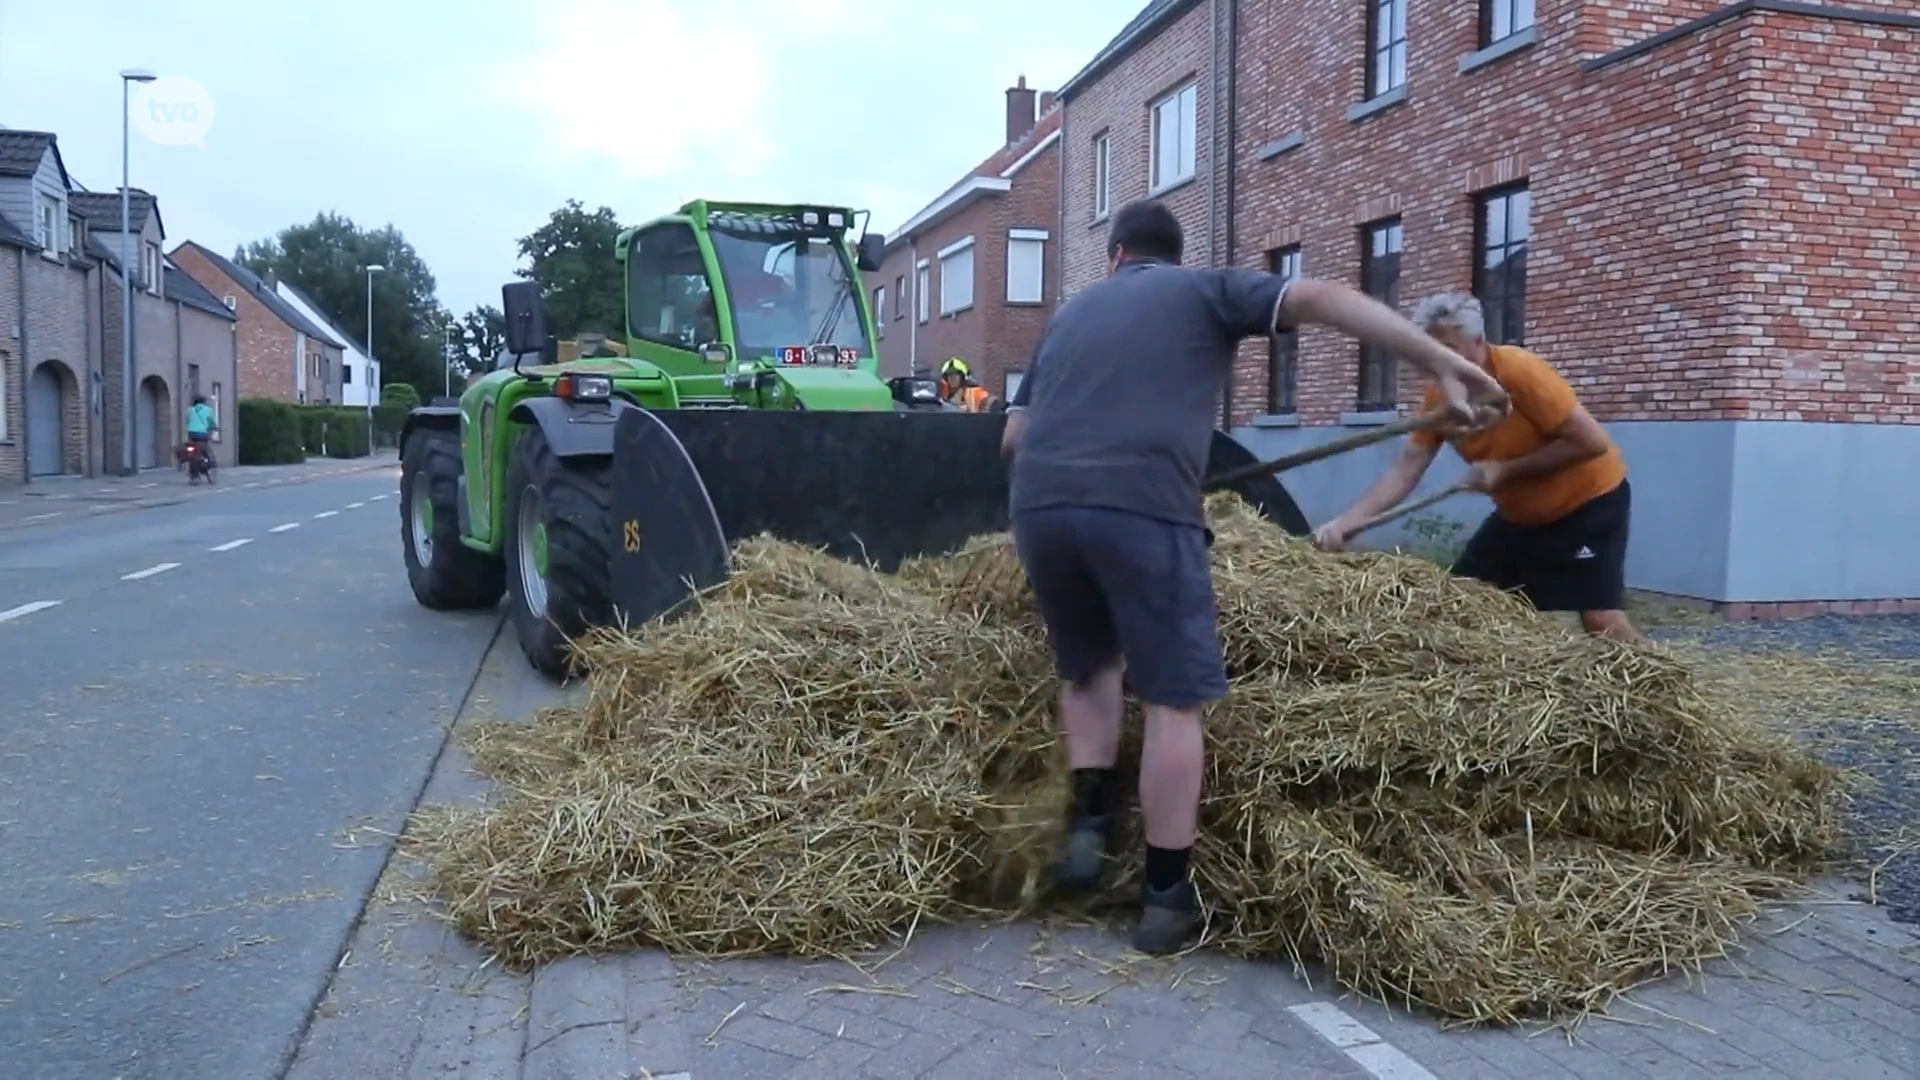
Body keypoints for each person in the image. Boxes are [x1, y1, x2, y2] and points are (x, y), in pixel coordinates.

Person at [999, 200, 1508, 954]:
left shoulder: (1071, 315)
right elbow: (1321, 296)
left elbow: (1013, 438)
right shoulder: (1203, 290)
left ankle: (1087, 836)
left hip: (1039, 507)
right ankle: (1167, 899)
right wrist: (1439, 361)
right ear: (1172, 257)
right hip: (1144, 509)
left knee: (1089, 672)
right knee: (1173, 700)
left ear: (1114, 257)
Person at [1313, 291, 1641, 642]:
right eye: (1431, 354)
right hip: (1521, 518)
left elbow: (1592, 442)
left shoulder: (1518, 372)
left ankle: (1655, 688)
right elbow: (1406, 470)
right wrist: (1348, 524)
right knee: (1460, 601)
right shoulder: (1441, 398)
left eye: (1449, 351)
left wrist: (1506, 470)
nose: (1439, 364)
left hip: (1587, 503)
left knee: (1600, 618)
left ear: (1479, 341)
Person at [185, 394, 218, 464]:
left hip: (191, 433)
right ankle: (209, 462)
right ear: (204, 402)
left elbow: (187, 421)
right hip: (202, 433)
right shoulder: (208, 410)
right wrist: (214, 427)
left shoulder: (190, 410)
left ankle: (191, 464)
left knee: (191, 446)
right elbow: (212, 422)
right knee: (205, 448)